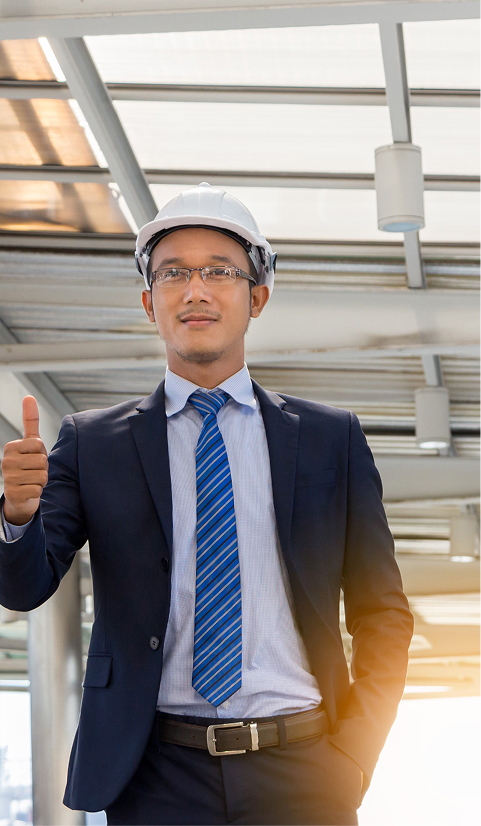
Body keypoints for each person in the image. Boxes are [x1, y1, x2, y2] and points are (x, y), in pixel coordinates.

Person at [0, 182, 413, 825]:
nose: (195, 290)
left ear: (257, 297)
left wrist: (352, 758)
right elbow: (22, 589)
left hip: (305, 770)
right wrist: (17, 517)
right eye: (173, 274)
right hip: (156, 778)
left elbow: (382, 614)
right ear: (149, 303)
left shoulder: (333, 438)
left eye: (219, 271)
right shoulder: (93, 443)